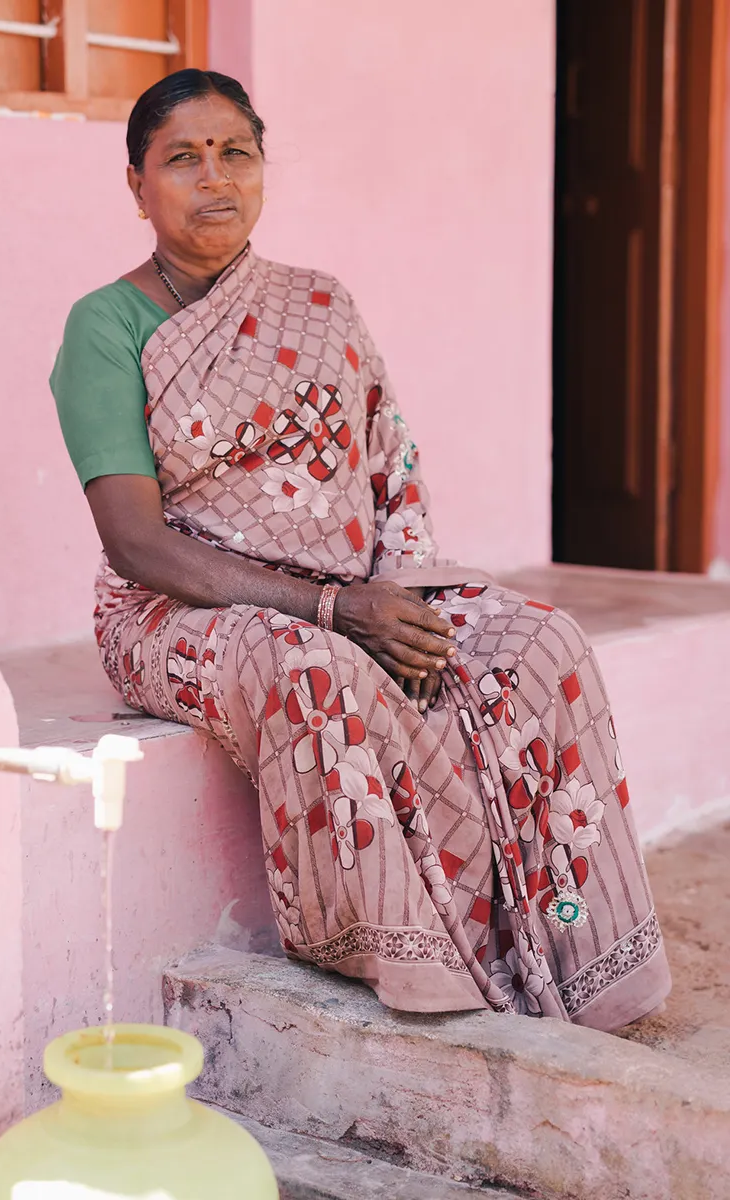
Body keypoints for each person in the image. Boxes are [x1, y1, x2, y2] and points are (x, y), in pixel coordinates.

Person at [50, 69, 670, 1029]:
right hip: (182, 611)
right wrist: (337, 612)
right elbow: (134, 541)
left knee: (534, 642)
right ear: (137, 186)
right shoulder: (105, 326)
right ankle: (414, 957)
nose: (215, 178)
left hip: (354, 586)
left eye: (236, 154)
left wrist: (401, 598)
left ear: (263, 168)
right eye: (182, 158)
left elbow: (390, 468)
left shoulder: (319, 306)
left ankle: (573, 943)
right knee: (314, 668)